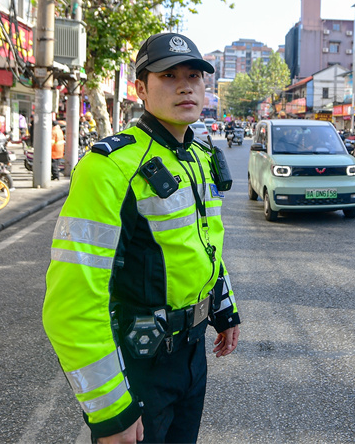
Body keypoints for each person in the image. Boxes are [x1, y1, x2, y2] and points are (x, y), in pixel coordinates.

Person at [42, 32, 240, 443]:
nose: (185, 85)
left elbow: (205, 245)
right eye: (168, 76)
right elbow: (72, 303)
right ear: (141, 89)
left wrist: (224, 308)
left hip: (192, 355)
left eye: (194, 75)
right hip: (140, 362)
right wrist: (111, 410)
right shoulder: (110, 167)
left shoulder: (199, 158)